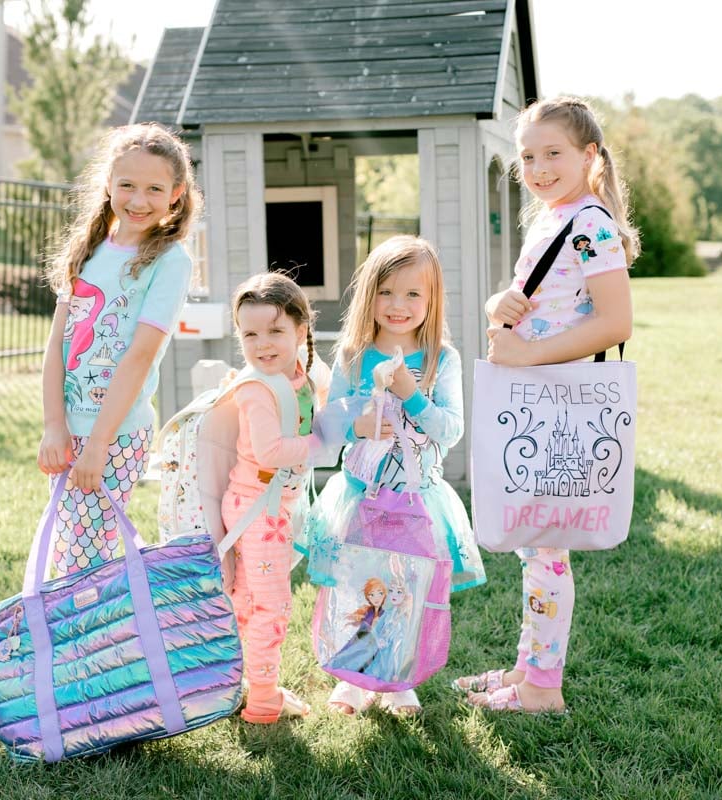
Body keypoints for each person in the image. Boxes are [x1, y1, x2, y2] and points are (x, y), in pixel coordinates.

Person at [457, 96, 637, 714]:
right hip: (536, 400)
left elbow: (615, 321)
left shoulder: (590, 223)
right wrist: (497, 307)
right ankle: (527, 666)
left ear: (589, 156)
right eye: (527, 156)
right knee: (536, 547)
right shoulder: (554, 218)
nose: (536, 167)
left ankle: (541, 687)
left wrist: (529, 357)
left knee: (545, 549)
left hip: (556, 402)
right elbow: (536, 297)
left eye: (552, 153)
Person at [300, 235, 486, 717]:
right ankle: (355, 677)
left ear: (431, 300)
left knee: (405, 588)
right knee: (357, 583)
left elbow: (451, 430)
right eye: (386, 292)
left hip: (415, 499)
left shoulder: (442, 360)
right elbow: (326, 425)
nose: (397, 305)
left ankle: (399, 678)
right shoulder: (353, 356)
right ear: (370, 295)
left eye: (412, 295)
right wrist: (356, 421)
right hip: (361, 497)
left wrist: (413, 394)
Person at [35, 123, 199, 578]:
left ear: (176, 194)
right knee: (71, 543)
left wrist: (100, 443)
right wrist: (54, 426)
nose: (138, 199)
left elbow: (139, 356)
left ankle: (92, 638)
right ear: (108, 184)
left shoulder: (169, 261)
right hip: (70, 428)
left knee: (87, 552)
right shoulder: (88, 250)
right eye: (127, 185)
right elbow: (57, 347)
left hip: (117, 432)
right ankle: (81, 638)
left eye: (154, 188)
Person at [224, 272, 322, 724]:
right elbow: (270, 451)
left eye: (276, 331)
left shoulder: (298, 376)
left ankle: (242, 683)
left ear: (302, 330)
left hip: (270, 508)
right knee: (270, 604)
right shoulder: (256, 387)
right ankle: (263, 698)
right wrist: (323, 443)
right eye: (250, 334)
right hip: (257, 509)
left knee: (250, 600)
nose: (263, 344)